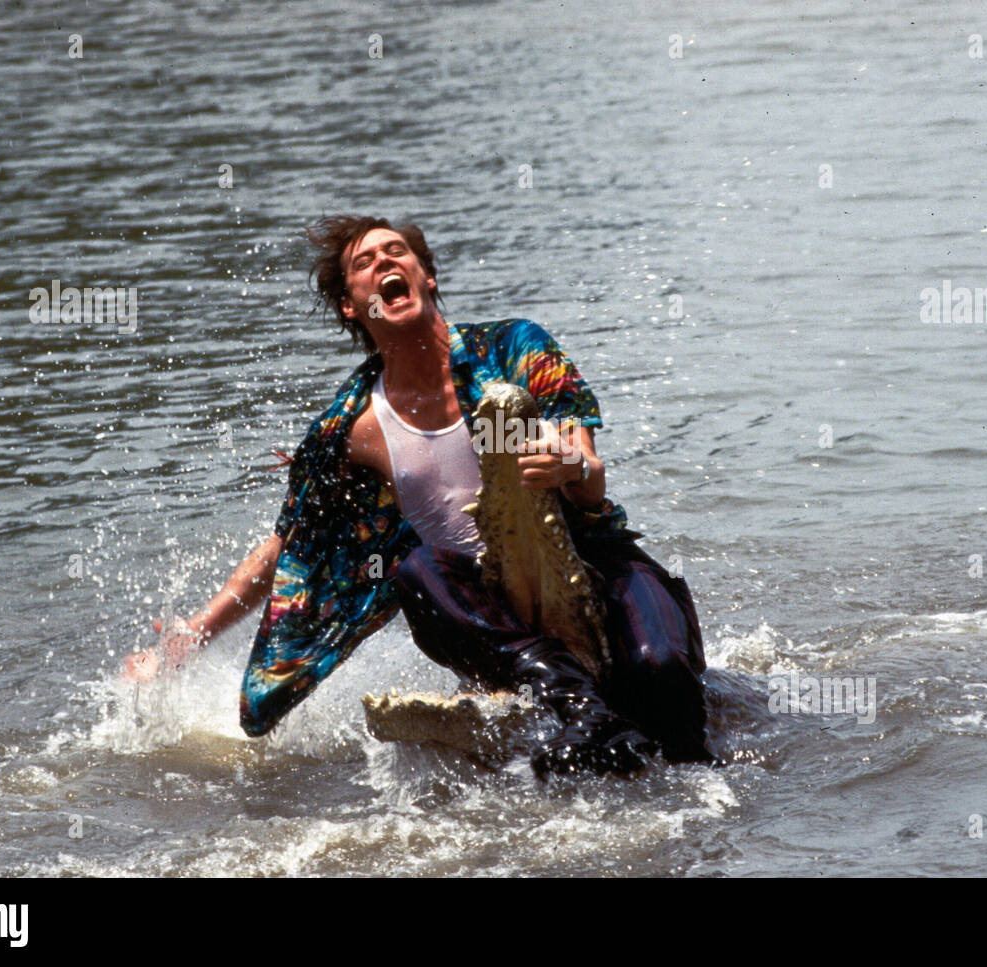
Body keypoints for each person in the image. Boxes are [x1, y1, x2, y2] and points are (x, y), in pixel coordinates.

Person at [124, 215, 711, 777]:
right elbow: (289, 548)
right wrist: (193, 634)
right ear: (352, 306)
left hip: (591, 562)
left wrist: (568, 462)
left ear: (426, 277)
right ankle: (577, 706)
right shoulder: (349, 430)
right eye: (365, 262)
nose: (384, 260)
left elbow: (591, 477)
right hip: (480, 609)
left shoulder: (512, 350)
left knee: (661, 676)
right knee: (415, 568)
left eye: (396, 251)